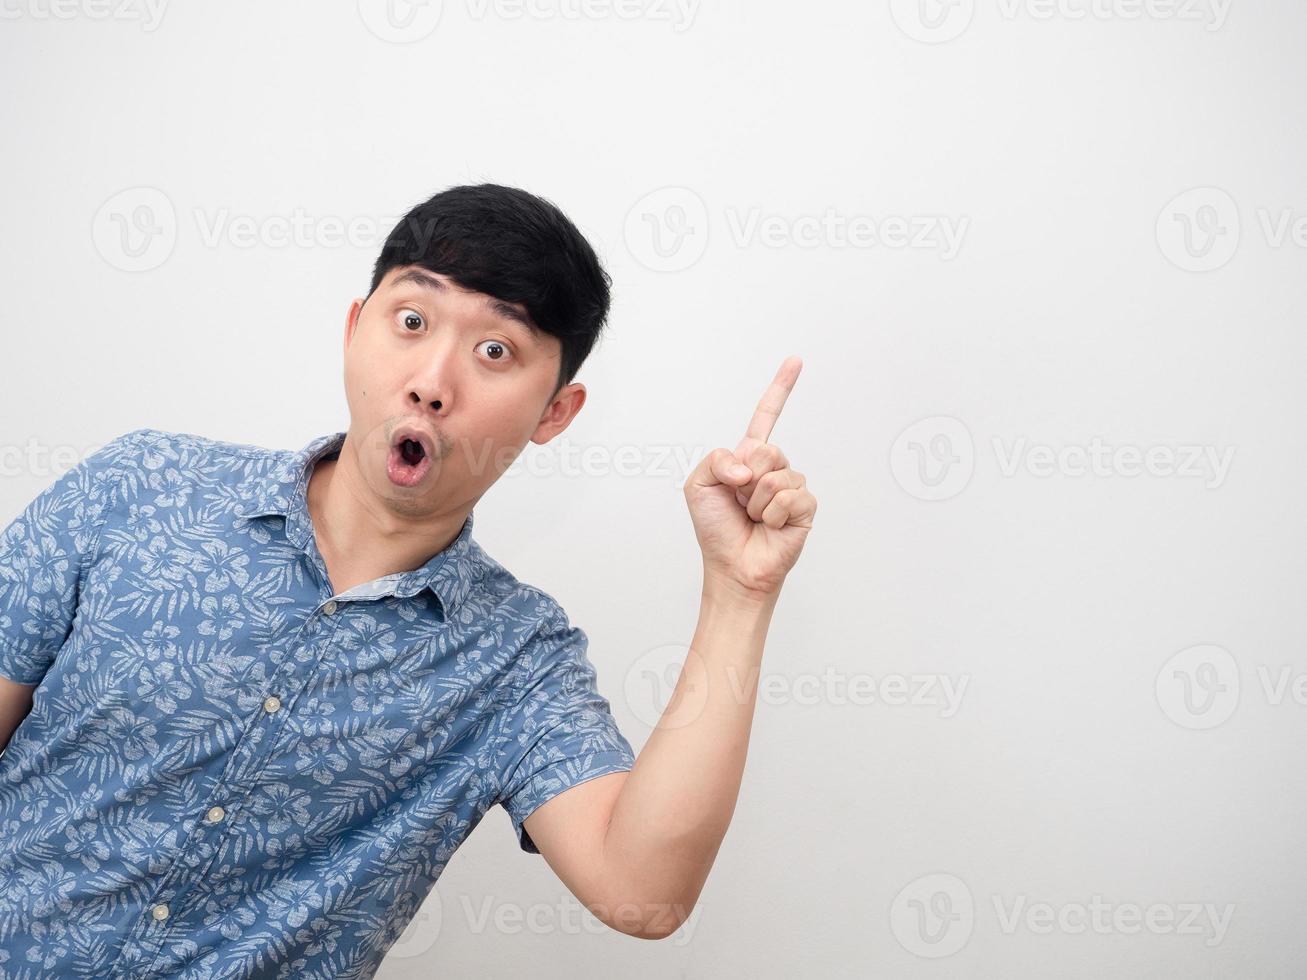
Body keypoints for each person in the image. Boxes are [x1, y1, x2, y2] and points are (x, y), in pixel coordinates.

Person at [0, 182, 817, 978]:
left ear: (554, 415)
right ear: (355, 330)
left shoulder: (516, 659)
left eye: (495, 350)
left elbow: (643, 894)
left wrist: (739, 594)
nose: (433, 380)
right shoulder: (143, 486)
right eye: (412, 321)